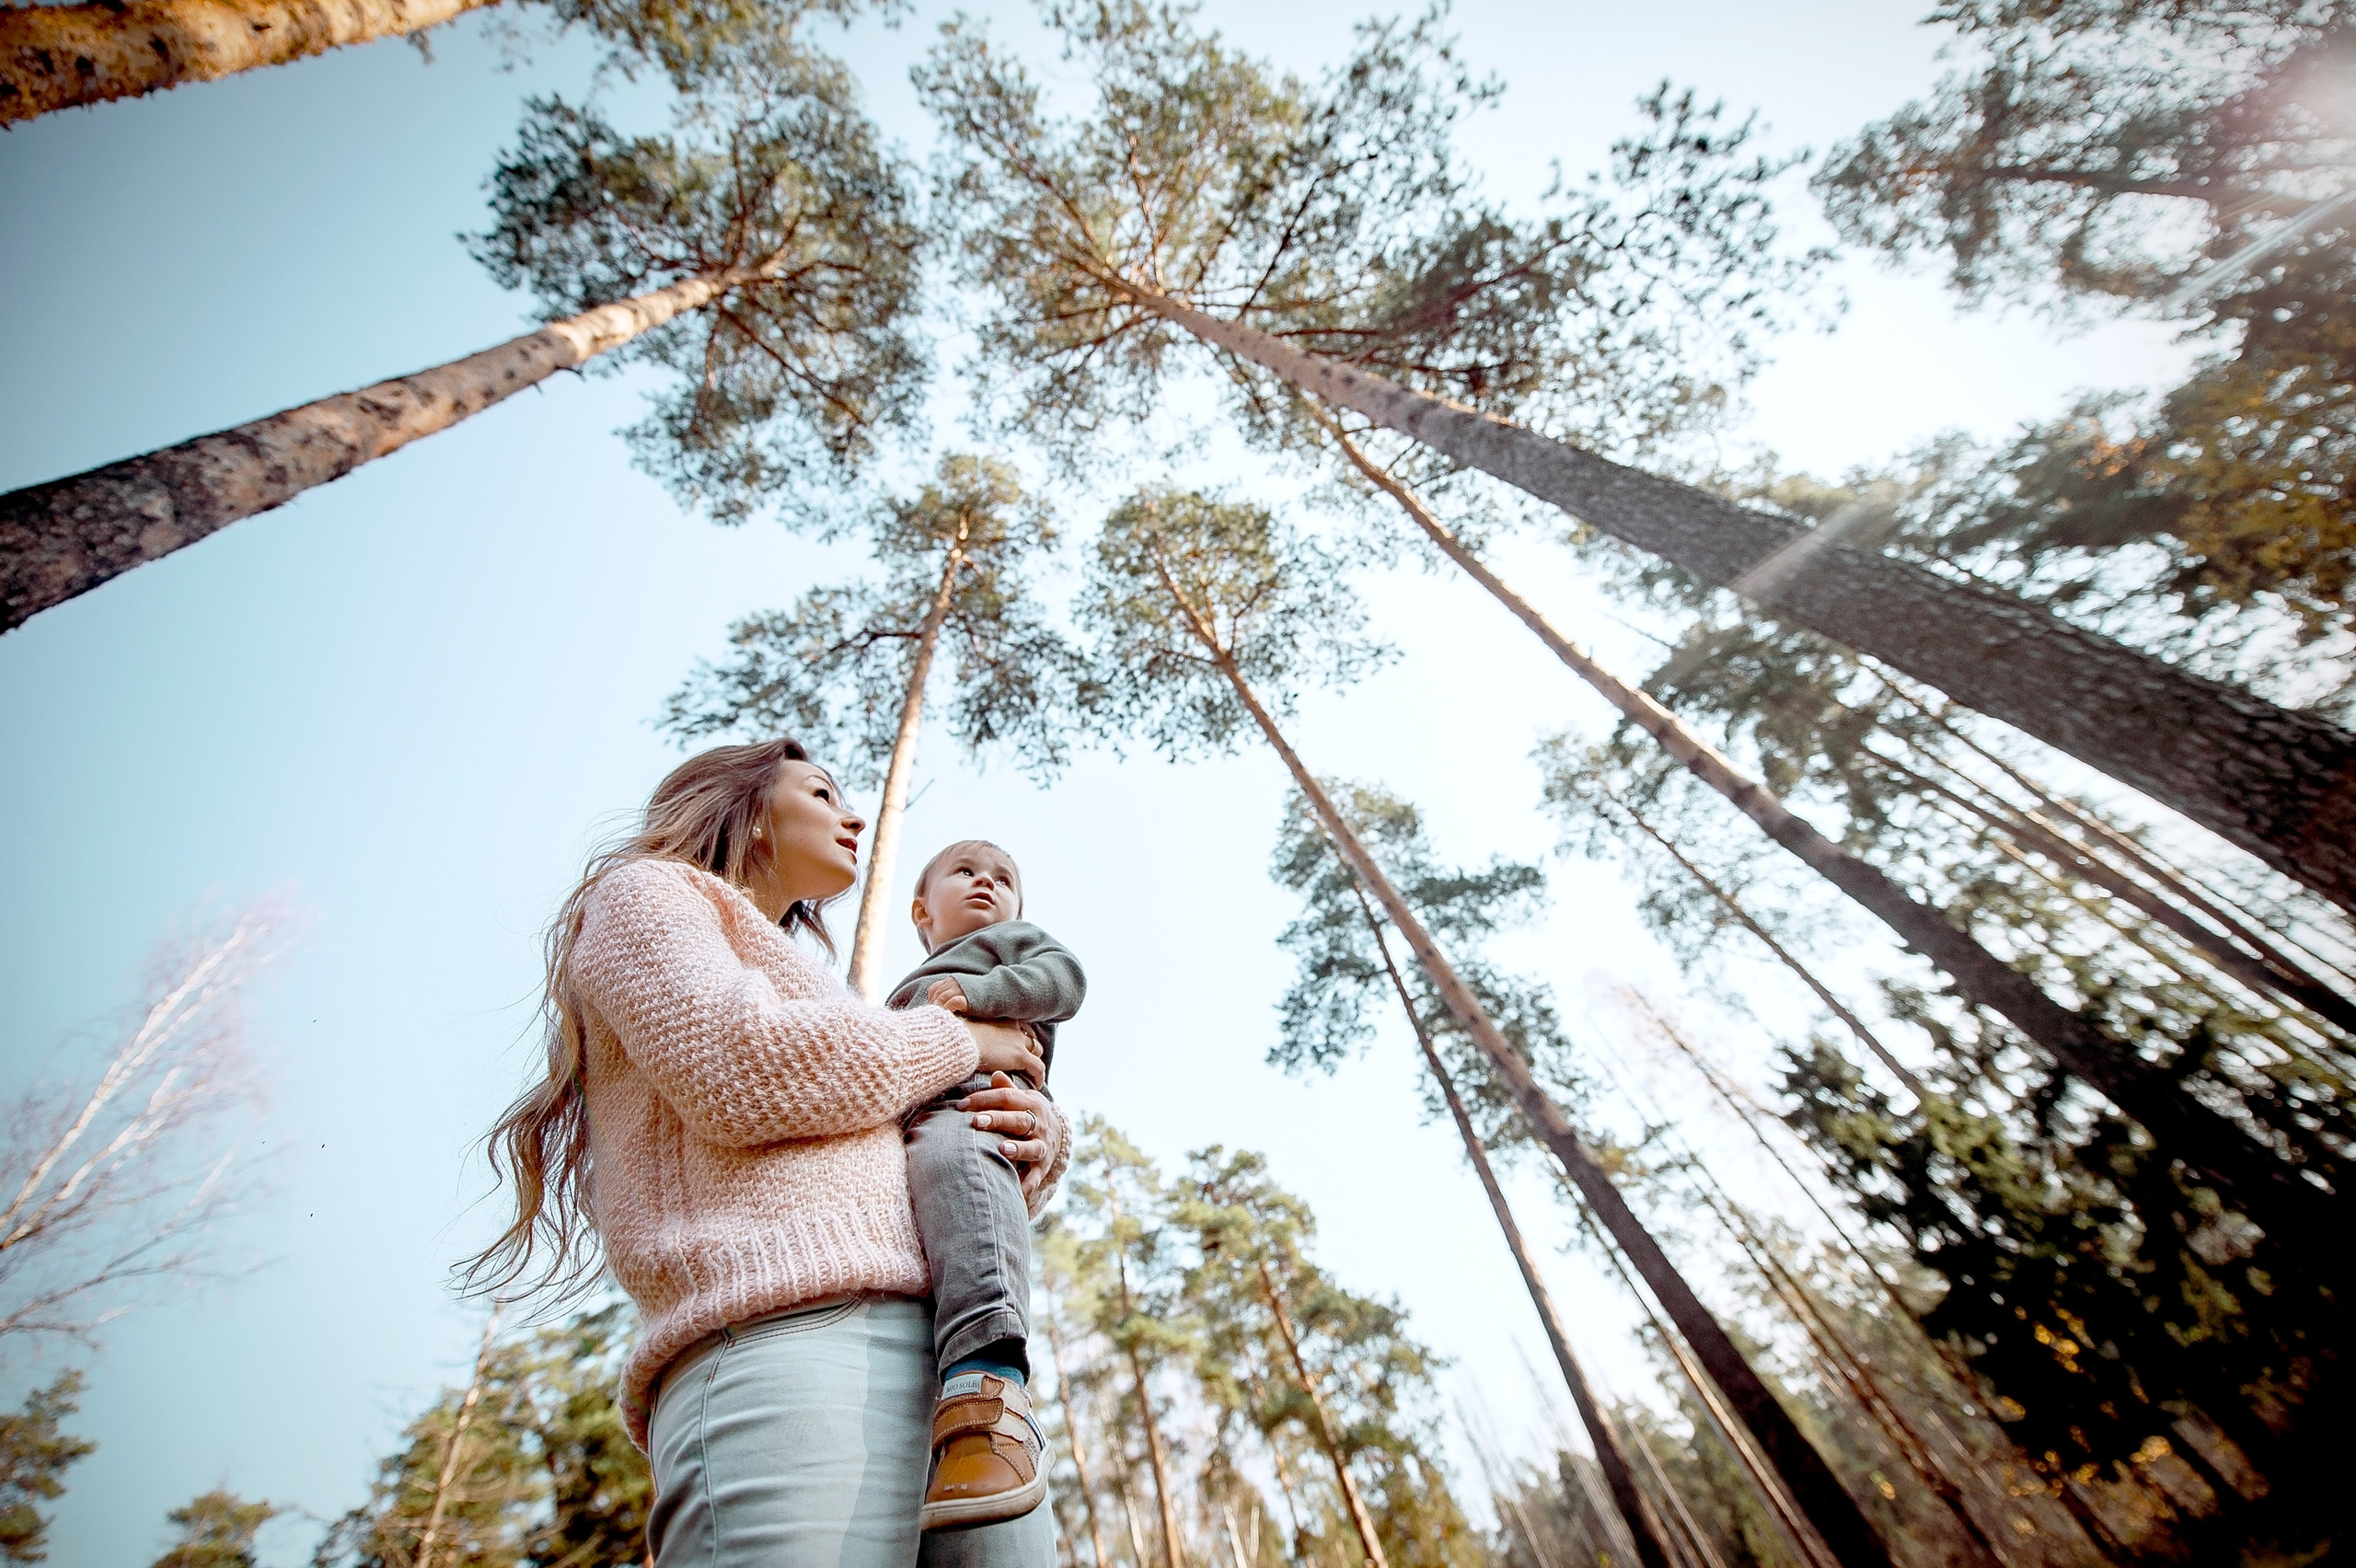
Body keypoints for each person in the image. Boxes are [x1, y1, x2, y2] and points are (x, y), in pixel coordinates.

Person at [466, 738, 1067, 1567]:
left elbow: (909, 1151)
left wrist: (1034, 1135)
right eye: (821, 794)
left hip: (963, 1373)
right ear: (748, 813)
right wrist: (961, 1041)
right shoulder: (646, 894)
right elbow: (743, 1071)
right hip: (784, 1345)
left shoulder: (824, 987)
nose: (854, 817)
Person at [885, 839, 1085, 1531]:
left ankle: (988, 1386)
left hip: (979, 1101)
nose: (986, 884)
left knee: (966, 1173)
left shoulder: (1010, 947)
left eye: (1003, 879)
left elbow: (1065, 980)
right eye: (965, 872)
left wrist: (981, 996)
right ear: (921, 911)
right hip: (908, 1117)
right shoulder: (904, 988)